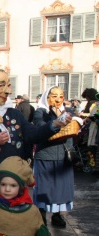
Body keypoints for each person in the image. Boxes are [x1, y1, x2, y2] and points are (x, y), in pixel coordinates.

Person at [0, 69, 66, 191]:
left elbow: (33, 134)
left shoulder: (14, 113)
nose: (8, 91)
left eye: (8, 85)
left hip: (13, 181)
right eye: (1, 85)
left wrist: (55, 124)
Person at [32, 86, 81, 228]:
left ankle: (57, 215)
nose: (58, 99)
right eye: (54, 96)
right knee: (44, 187)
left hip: (64, 155)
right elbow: (41, 127)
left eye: (61, 96)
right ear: (47, 98)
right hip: (46, 154)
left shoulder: (69, 111)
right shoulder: (41, 112)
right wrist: (56, 121)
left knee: (61, 187)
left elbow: (76, 125)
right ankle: (41, 213)